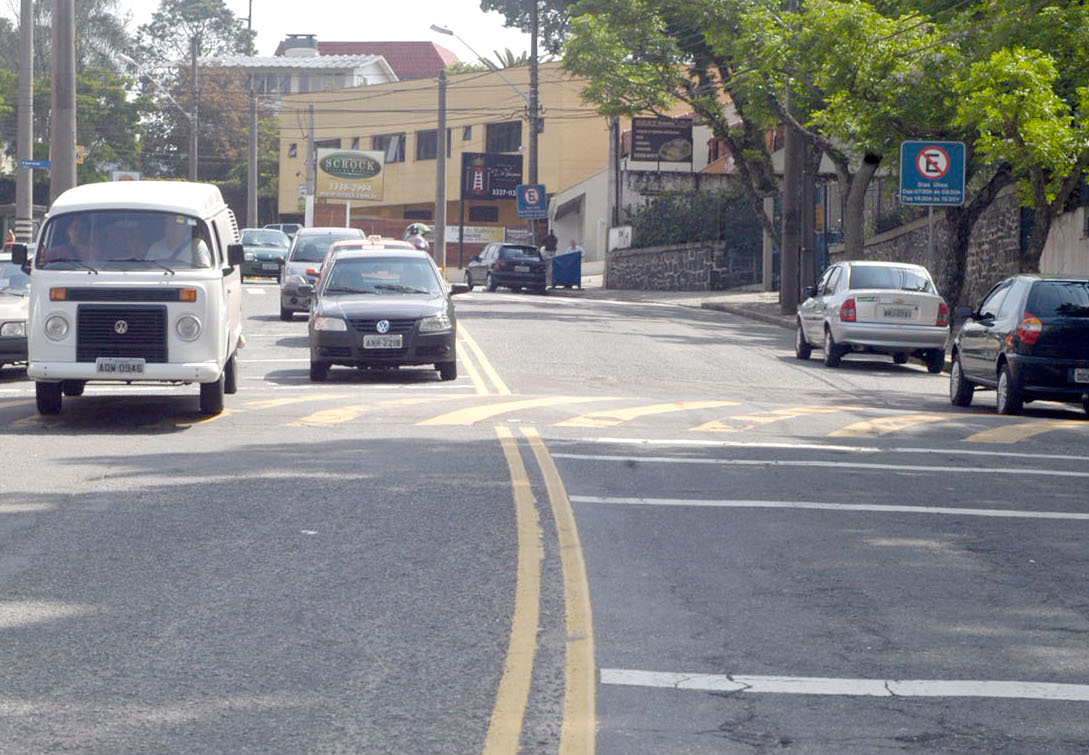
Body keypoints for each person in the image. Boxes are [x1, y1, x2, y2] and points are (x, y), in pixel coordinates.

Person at [147, 215, 212, 268]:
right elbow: (147, 269)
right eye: (170, 225)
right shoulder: (155, 247)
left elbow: (204, 270)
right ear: (166, 228)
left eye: (178, 227)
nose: (174, 230)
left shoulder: (196, 246)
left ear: (185, 229)